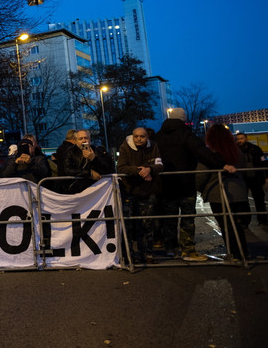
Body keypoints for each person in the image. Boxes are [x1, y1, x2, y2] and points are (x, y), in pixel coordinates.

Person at [155, 108, 232, 262]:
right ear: (183, 119)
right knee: (187, 218)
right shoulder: (185, 134)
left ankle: (170, 248)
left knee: (169, 218)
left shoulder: (159, 136)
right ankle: (188, 250)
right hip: (185, 183)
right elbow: (201, 152)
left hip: (165, 183)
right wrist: (220, 163)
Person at [197, 125, 249, 260]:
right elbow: (244, 168)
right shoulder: (237, 152)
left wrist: (200, 188)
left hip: (218, 192)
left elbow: (201, 175)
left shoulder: (210, 155)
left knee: (226, 225)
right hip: (239, 192)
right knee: (236, 224)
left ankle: (235, 253)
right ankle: (243, 252)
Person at [117, 127, 163, 263]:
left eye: (142, 136)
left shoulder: (154, 146)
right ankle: (130, 255)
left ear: (147, 137)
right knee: (129, 225)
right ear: (132, 136)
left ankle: (148, 254)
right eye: (136, 136)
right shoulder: (125, 147)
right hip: (129, 191)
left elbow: (160, 165)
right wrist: (140, 171)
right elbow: (120, 168)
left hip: (147, 191)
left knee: (147, 225)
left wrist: (150, 169)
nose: (139, 139)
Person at [61, 130, 114, 194]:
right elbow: (68, 169)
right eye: (80, 139)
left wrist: (93, 159)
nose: (84, 141)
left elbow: (106, 168)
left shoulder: (96, 151)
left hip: (95, 188)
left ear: (90, 139)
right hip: (77, 188)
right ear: (75, 141)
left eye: (86, 138)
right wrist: (89, 173)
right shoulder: (70, 152)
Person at [235, 132, 267, 225]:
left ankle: (262, 220)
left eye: (241, 138)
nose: (240, 141)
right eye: (238, 139)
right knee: (243, 201)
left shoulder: (255, 149)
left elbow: (263, 163)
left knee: (259, 200)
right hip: (243, 179)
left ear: (246, 139)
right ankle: (245, 221)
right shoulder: (236, 151)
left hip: (255, 178)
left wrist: (265, 176)